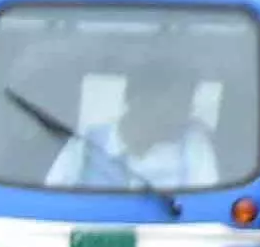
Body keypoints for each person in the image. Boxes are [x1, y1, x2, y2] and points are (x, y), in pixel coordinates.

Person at [44, 70, 225, 191]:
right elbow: (52, 196)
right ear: (135, 99)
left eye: (185, 103)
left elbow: (207, 199)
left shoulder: (193, 145)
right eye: (173, 103)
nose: (183, 113)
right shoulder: (86, 142)